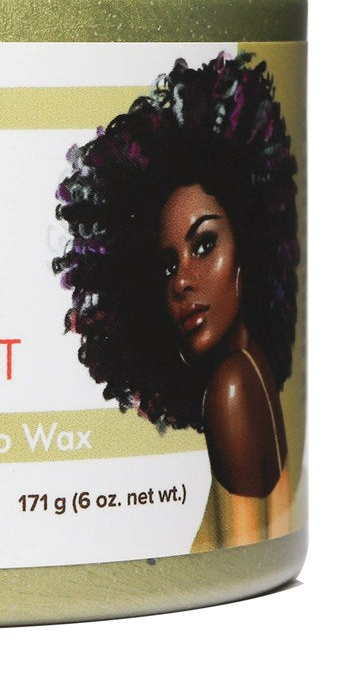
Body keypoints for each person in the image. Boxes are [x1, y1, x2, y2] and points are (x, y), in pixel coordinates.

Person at [53, 53, 298, 546]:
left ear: (249, 243)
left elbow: (238, 554)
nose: (181, 281)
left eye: (204, 245)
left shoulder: (230, 387)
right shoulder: (253, 370)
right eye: (168, 265)